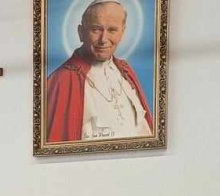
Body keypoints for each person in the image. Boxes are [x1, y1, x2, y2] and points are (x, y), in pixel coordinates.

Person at [45, 0, 156, 142]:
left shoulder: (125, 71)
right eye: (96, 29)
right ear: (81, 32)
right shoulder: (61, 80)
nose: (103, 39)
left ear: (122, 32)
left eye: (112, 30)